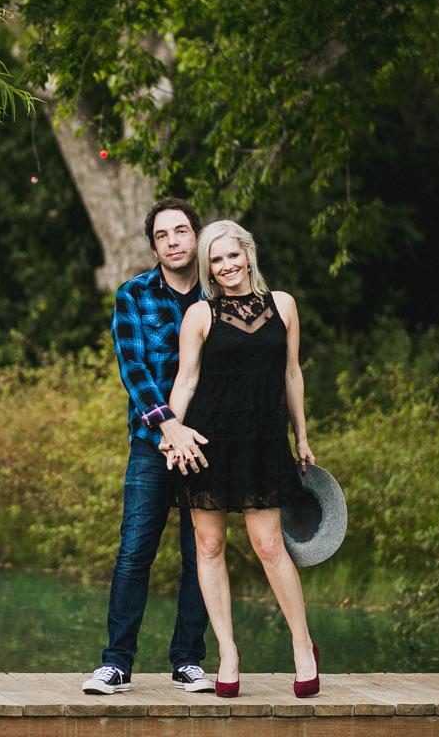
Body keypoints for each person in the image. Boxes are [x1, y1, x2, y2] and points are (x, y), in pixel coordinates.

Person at [161, 219, 320, 698]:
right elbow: (187, 380)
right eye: (216, 259)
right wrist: (172, 431)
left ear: (248, 254)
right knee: (208, 547)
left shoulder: (284, 305)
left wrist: (302, 436)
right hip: (210, 443)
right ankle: (228, 652)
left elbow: (292, 374)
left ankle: (303, 647)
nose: (226, 266)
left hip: (264, 440)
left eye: (233, 255)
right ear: (208, 267)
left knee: (269, 545)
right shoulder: (200, 315)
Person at [82, 198, 216, 695]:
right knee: (134, 553)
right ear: (154, 245)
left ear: (196, 235)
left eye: (182, 231)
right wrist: (168, 428)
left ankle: (188, 662)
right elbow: (134, 373)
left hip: (209, 446)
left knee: (202, 552)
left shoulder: (219, 296)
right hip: (151, 444)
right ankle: (116, 664)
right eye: (163, 235)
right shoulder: (133, 296)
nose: (174, 241)